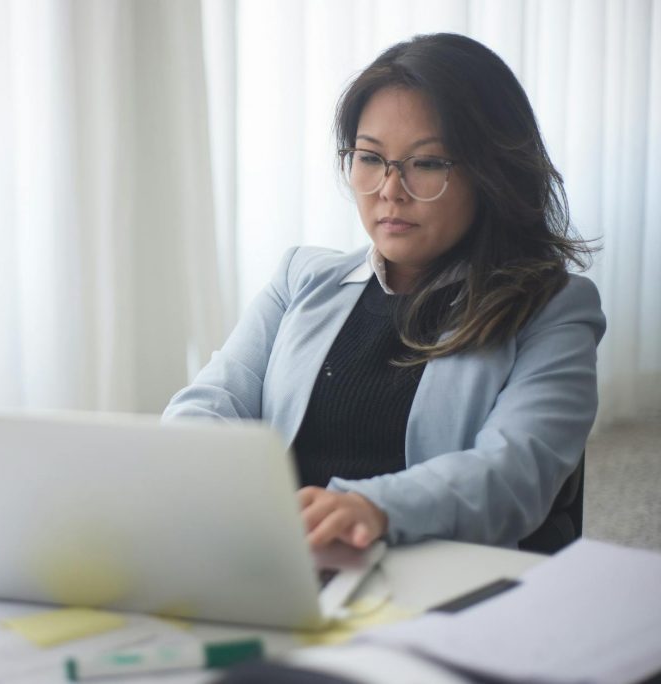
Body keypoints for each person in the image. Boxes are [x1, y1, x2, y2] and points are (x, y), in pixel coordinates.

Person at [163, 33, 605, 550]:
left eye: (427, 163)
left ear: (491, 172)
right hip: (283, 559)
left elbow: (511, 477)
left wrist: (371, 508)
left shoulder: (552, 308)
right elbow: (211, 401)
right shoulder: (300, 278)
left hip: (429, 575)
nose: (390, 190)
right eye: (370, 158)